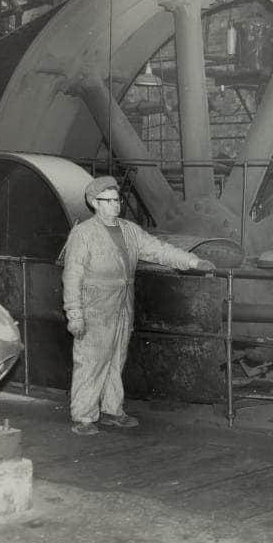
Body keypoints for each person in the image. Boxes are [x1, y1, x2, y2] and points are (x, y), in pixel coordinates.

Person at [61, 176, 216, 435]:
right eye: (108, 201)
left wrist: (192, 261)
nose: (116, 205)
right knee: (92, 359)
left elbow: (157, 249)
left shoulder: (129, 230)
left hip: (123, 302)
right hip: (95, 304)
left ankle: (112, 410)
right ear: (94, 203)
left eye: (117, 199)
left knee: (115, 359)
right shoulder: (83, 233)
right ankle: (83, 417)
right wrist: (74, 313)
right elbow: (72, 275)